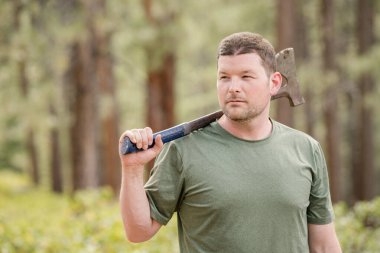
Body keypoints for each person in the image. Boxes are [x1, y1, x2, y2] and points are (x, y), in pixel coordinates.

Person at [118, 32, 342, 253]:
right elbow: (138, 231)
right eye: (224, 77)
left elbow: (323, 246)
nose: (233, 87)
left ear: (274, 83)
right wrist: (132, 169)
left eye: (246, 76)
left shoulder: (305, 149)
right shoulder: (183, 149)